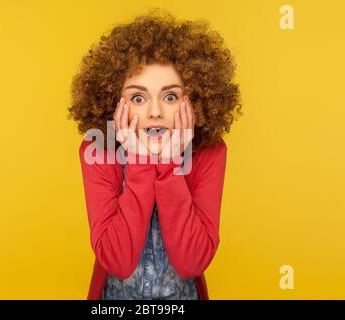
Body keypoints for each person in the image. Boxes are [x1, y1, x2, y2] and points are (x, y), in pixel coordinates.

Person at [68, 10, 242, 300]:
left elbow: (192, 263)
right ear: (115, 102)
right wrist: (139, 160)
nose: (155, 112)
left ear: (194, 99)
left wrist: (169, 164)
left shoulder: (209, 152)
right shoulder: (97, 151)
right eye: (138, 98)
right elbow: (118, 262)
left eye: (170, 97)